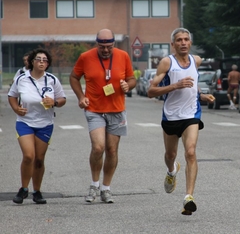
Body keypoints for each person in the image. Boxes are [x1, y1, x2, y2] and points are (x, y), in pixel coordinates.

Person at [147, 27, 215, 216]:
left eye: (186, 39)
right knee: (171, 154)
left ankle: (188, 198)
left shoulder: (196, 60)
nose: (183, 43)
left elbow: (192, 85)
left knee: (191, 152)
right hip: (171, 116)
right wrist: (175, 85)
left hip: (191, 114)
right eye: (179, 40)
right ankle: (171, 170)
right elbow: (151, 91)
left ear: (190, 43)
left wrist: (203, 95)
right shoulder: (166, 63)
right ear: (173, 44)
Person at [69, 29, 136, 204]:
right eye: (102, 47)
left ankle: (106, 188)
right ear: (96, 44)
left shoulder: (123, 56)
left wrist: (127, 86)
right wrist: (81, 97)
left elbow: (132, 79)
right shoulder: (85, 57)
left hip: (117, 109)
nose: (106, 50)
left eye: (109, 47)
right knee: (98, 147)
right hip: (94, 109)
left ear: (114, 44)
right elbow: (74, 77)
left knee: (112, 150)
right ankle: (94, 184)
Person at [8, 48, 66, 204]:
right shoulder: (22, 79)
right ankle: (23, 189)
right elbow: (12, 96)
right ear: (32, 62)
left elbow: (62, 99)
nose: (42, 62)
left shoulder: (52, 80)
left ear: (48, 64)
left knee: (39, 159)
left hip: (45, 123)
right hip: (25, 122)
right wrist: (16, 109)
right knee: (29, 156)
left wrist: (53, 102)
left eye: (45, 60)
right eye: (39, 59)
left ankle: (37, 191)